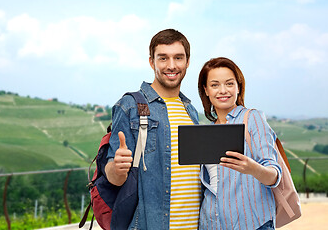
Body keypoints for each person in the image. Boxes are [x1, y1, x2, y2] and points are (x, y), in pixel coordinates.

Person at [105, 29, 201, 229]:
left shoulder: (190, 110)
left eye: (178, 58)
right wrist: (117, 167)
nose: (172, 65)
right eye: (163, 58)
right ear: (152, 62)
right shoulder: (130, 106)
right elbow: (113, 176)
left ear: (188, 62)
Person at [197, 57, 283, 230]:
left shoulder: (252, 118)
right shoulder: (206, 132)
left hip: (252, 224)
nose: (223, 90)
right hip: (211, 224)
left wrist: (253, 168)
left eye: (229, 84)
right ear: (206, 90)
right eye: (214, 85)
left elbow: (274, 176)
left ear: (238, 87)